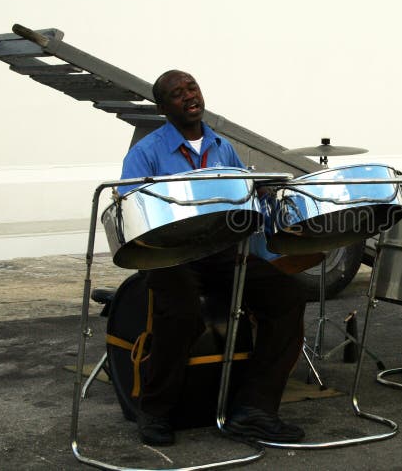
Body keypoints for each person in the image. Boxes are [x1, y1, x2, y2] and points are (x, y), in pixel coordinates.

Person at [119, 70, 306, 446]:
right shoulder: (145, 153)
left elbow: (240, 200)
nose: (189, 96)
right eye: (177, 93)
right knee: (182, 310)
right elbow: (131, 212)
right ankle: (155, 410)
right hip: (170, 255)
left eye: (192, 88)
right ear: (163, 107)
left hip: (220, 251)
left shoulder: (222, 147)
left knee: (288, 294)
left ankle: (254, 408)